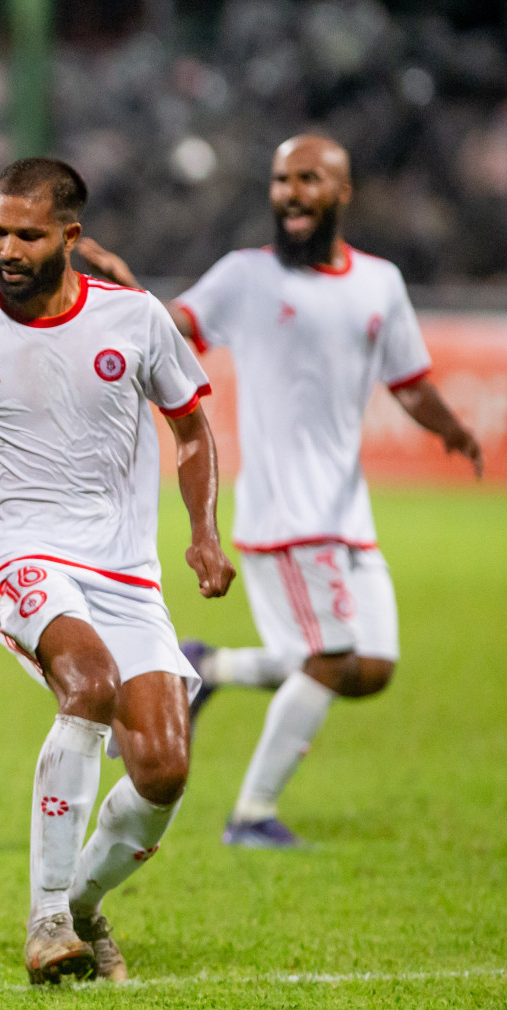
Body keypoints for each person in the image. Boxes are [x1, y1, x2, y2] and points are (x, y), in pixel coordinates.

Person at [79, 135, 484, 849]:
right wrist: (125, 293)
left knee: (373, 669)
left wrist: (453, 429)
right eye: (280, 180)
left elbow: (410, 381)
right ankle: (251, 817)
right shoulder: (245, 277)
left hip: (347, 513)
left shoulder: (379, 283)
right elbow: (173, 332)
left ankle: (207, 668)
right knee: (329, 662)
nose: (291, 193)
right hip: (285, 516)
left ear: (342, 191)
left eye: (308, 179)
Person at [0, 157, 235, 983]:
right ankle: (47, 917)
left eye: (27, 234)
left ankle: (83, 911)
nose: (6, 248)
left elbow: (191, 431)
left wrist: (203, 531)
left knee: (163, 767)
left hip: (125, 570)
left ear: (70, 238)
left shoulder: (135, 319)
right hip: (18, 555)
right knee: (88, 683)